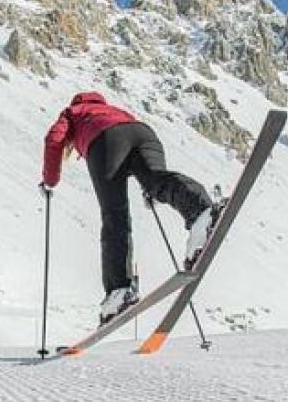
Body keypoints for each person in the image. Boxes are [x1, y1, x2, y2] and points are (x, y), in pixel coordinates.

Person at [40, 92, 220, 325]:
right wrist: (150, 189)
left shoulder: (73, 113)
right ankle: (202, 214)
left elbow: (54, 139)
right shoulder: (115, 110)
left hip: (104, 141)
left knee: (114, 214)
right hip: (143, 132)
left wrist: (49, 181)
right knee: (157, 180)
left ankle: (119, 291)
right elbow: (137, 152)